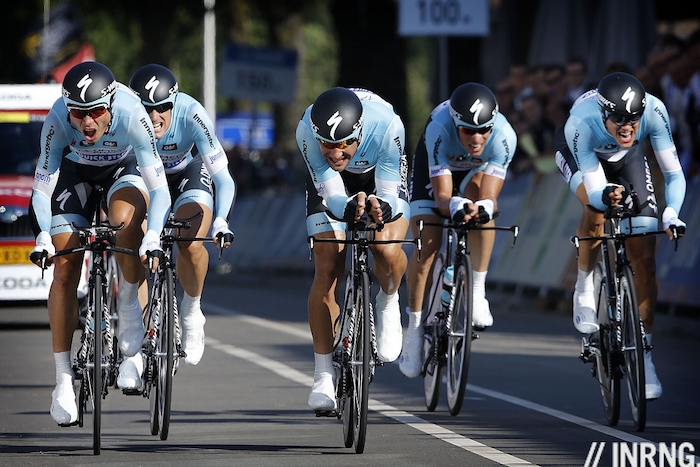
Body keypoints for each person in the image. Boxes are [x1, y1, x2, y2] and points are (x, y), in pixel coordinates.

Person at [29, 61, 172, 425]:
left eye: (96, 112)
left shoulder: (132, 113)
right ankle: (62, 379)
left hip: (123, 170)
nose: (87, 123)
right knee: (64, 267)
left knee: (125, 225)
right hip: (74, 173)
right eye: (79, 113)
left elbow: (159, 189)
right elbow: (42, 191)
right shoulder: (58, 118)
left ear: (111, 105)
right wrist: (44, 237)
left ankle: (126, 304)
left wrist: (152, 235)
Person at [554, 72, 687, 400]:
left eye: (633, 119)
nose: (627, 126)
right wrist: (608, 195)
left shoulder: (654, 112)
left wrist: (671, 213)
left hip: (625, 159)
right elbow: (597, 191)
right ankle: (584, 288)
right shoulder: (581, 123)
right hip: (582, 155)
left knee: (644, 258)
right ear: (603, 114)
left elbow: (673, 173)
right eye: (617, 119)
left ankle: (644, 354)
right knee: (595, 210)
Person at [119, 64, 236, 388]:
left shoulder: (192, 114)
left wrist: (222, 220)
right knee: (132, 240)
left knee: (192, 240)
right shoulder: (125, 117)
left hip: (186, 174)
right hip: (141, 174)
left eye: (162, 108)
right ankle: (132, 351)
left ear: (175, 103)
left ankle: (192, 310)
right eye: (147, 108)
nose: (154, 116)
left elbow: (223, 179)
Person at [296, 87, 410, 411]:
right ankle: (322, 375)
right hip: (333, 186)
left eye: (344, 143)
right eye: (328, 144)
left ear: (358, 133)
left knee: (386, 248)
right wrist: (346, 206)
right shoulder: (306, 129)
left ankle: (388, 299)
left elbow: (389, 192)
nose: (335, 152)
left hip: (379, 175)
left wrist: (381, 207)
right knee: (328, 263)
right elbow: (330, 191)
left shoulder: (388, 126)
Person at [399, 83, 517, 378]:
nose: (476, 139)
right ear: (456, 124)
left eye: (483, 130)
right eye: (467, 131)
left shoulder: (504, 137)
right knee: (428, 244)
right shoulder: (439, 128)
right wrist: (453, 204)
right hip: (437, 171)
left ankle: (477, 291)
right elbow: (441, 199)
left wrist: (482, 208)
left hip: (475, 171)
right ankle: (413, 330)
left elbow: (490, 196)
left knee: (482, 212)